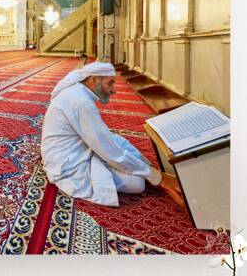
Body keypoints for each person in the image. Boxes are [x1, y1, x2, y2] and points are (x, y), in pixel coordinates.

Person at [40, 61, 162, 207]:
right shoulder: (81, 102)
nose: (113, 89)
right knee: (137, 184)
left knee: (119, 141)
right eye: (110, 83)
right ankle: (143, 169)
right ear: (94, 80)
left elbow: (104, 141)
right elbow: (108, 151)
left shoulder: (78, 92)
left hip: (74, 148)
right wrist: (152, 176)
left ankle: (140, 167)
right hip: (68, 162)